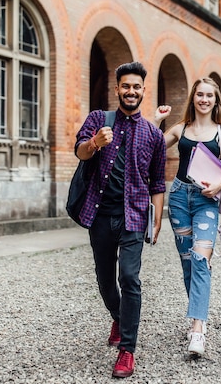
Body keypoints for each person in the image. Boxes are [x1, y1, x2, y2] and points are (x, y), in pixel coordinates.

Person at [74, 61, 167, 378]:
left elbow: (157, 182)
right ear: (117, 89)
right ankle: (118, 315)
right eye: (126, 86)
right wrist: (94, 143)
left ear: (144, 90)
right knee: (104, 279)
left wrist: (156, 220)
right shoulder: (99, 120)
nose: (131, 91)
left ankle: (127, 349)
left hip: (135, 216)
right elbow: (81, 153)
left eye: (136, 86)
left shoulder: (154, 135)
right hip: (100, 214)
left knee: (129, 277)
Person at [153, 77, 221, 356]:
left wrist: (219, 185)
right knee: (188, 262)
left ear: (215, 100)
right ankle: (197, 313)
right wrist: (157, 120)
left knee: (201, 259)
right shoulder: (181, 129)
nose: (204, 99)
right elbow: (152, 149)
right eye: (199, 95)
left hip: (206, 200)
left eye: (209, 96)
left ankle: (197, 329)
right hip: (178, 197)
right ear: (194, 98)